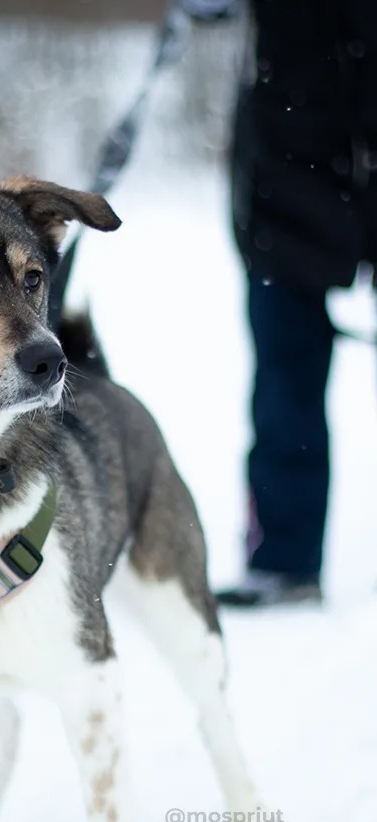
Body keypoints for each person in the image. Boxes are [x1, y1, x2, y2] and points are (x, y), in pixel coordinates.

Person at [184, 0, 377, 607]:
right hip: (288, 178)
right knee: (284, 385)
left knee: (284, 382)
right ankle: (284, 560)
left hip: (297, 162)